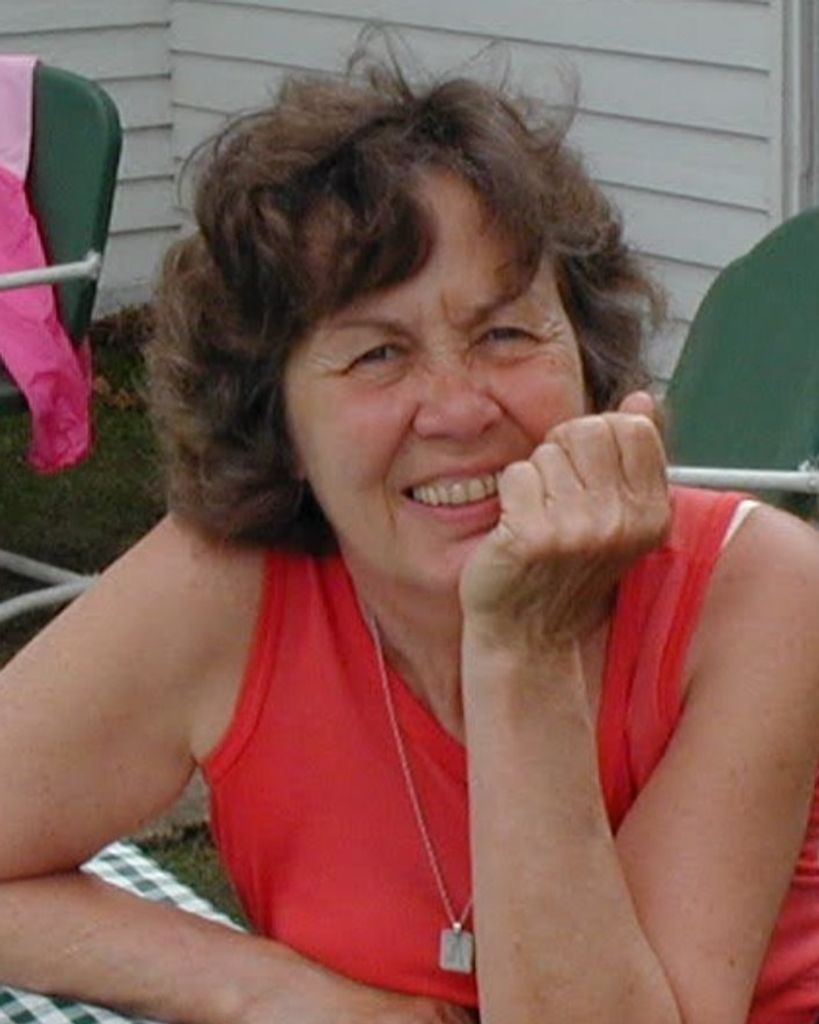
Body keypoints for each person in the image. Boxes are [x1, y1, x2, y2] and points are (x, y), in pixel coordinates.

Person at [1, 52, 819, 1024]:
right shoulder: (229, 583)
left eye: (505, 334)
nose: (458, 408)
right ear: (277, 417)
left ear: (589, 360)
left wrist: (521, 649)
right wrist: (267, 989)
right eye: (378, 353)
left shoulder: (762, 591)